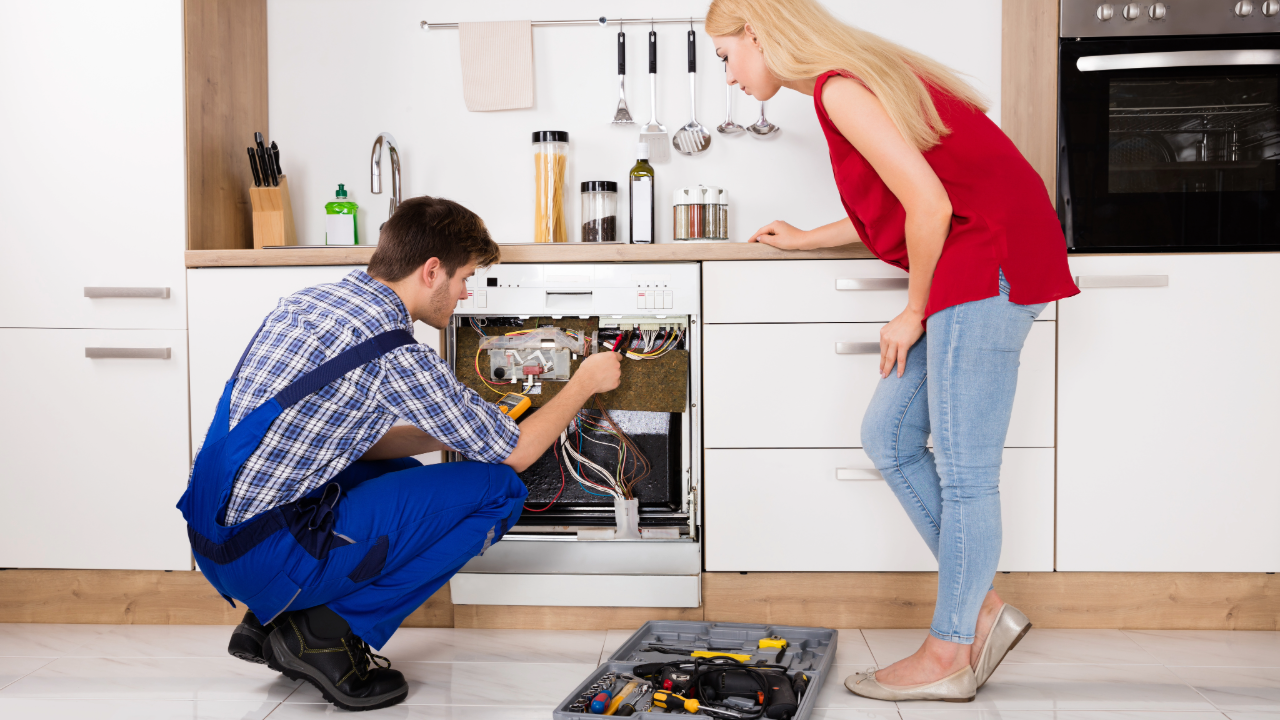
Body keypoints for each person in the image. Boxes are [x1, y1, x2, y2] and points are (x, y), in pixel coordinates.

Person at [708, 0, 1079, 703]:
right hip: (977, 261)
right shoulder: (851, 80)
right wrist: (810, 236)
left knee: (969, 473)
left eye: (726, 56)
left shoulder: (841, 86)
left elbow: (932, 206)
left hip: (988, 265)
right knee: (889, 433)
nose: (728, 75)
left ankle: (950, 652)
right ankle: (985, 609)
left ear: (757, 33)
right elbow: (906, 193)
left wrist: (911, 312)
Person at [176, 196, 621, 711]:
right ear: (432, 271)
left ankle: (271, 618)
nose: (464, 292)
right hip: (263, 554)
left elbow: (343, 439)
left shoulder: (310, 302)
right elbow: (517, 454)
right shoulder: (394, 350)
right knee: (498, 492)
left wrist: (452, 429)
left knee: (404, 471)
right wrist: (585, 382)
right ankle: (321, 634)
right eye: (464, 279)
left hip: (212, 537)